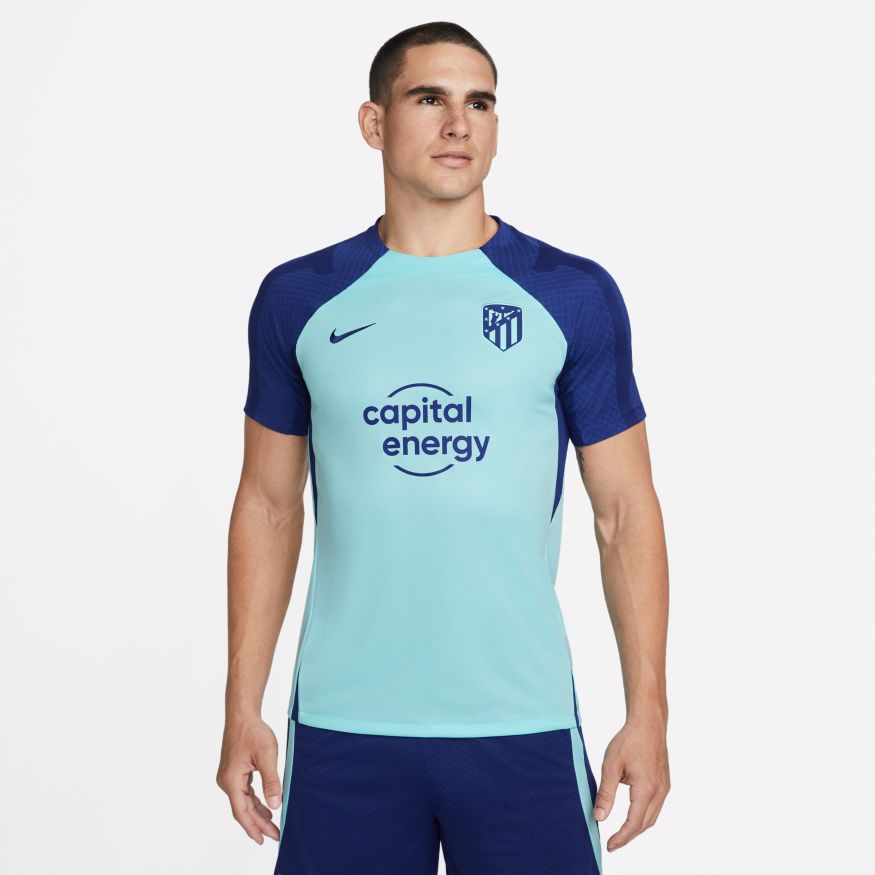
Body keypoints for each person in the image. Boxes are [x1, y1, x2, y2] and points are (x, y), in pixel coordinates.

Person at [216, 20, 670, 875]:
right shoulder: (299, 297)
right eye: (429, 99)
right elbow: (268, 506)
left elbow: (623, 512)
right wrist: (242, 705)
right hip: (346, 725)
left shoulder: (569, 294)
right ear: (374, 122)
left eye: (479, 103)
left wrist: (648, 712)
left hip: (521, 723)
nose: (459, 124)